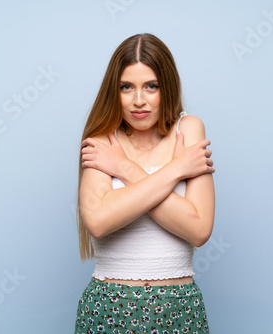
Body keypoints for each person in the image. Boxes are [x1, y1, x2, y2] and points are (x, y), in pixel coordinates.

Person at [75, 33, 215, 333]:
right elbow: (98, 222)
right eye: (127, 87)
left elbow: (199, 229)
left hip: (179, 306)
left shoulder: (188, 129)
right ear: (115, 90)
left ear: (167, 87)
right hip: (109, 305)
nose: (139, 100)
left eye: (151, 86)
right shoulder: (103, 140)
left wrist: (124, 168)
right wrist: (176, 170)